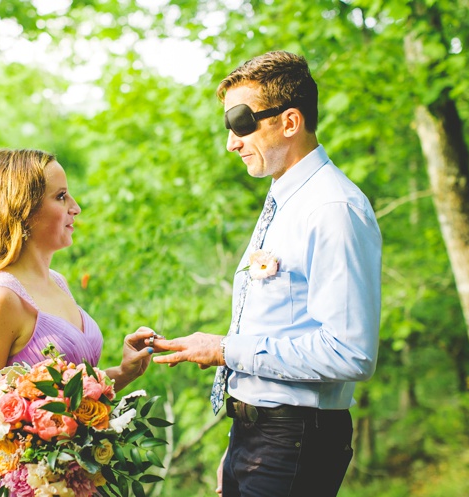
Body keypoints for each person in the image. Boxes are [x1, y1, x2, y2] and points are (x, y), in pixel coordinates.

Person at [150, 51, 381, 496]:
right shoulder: (285, 198)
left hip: (295, 441)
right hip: (259, 436)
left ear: (289, 121)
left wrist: (224, 350)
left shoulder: (333, 208)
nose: (231, 142)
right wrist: (238, 446)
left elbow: (352, 353)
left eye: (242, 123)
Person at [0, 148, 158, 497]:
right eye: (61, 197)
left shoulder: (57, 282)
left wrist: (125, 372)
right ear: (21, 210)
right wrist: (40, 436)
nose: (75, 207)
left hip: (75, 481)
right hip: (25, 486)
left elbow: (72, 393)